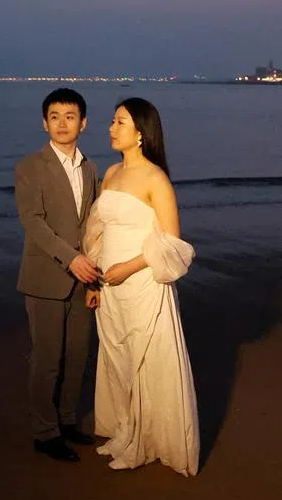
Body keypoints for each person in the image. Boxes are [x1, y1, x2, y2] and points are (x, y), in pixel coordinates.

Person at [83, 98, 199, 473]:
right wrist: (97, 278)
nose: (111, 128)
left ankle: (144, 443)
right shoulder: (112, 174)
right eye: (112, 121)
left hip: (143, 282)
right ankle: (125, 430)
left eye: (120, 122)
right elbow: (98, 230)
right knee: (117, 358)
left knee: (143, 360)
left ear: (140, 133)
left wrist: (128, 268)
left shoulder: (155, 179)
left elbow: (173, 242)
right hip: (110, 283)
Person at [14, 88, 101, 462]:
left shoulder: (91, 168)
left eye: (69, 116)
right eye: (54, 116)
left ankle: (66, 421)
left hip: (83, 280)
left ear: (83, 122)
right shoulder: (29, 167)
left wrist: (92, 277)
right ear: (43, 122)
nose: (62, 123)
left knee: (78, 356)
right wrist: (71, 259)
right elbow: (32, 222)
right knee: (48, 359)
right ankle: (44, 432)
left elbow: (93, 225)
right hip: (45, 278)